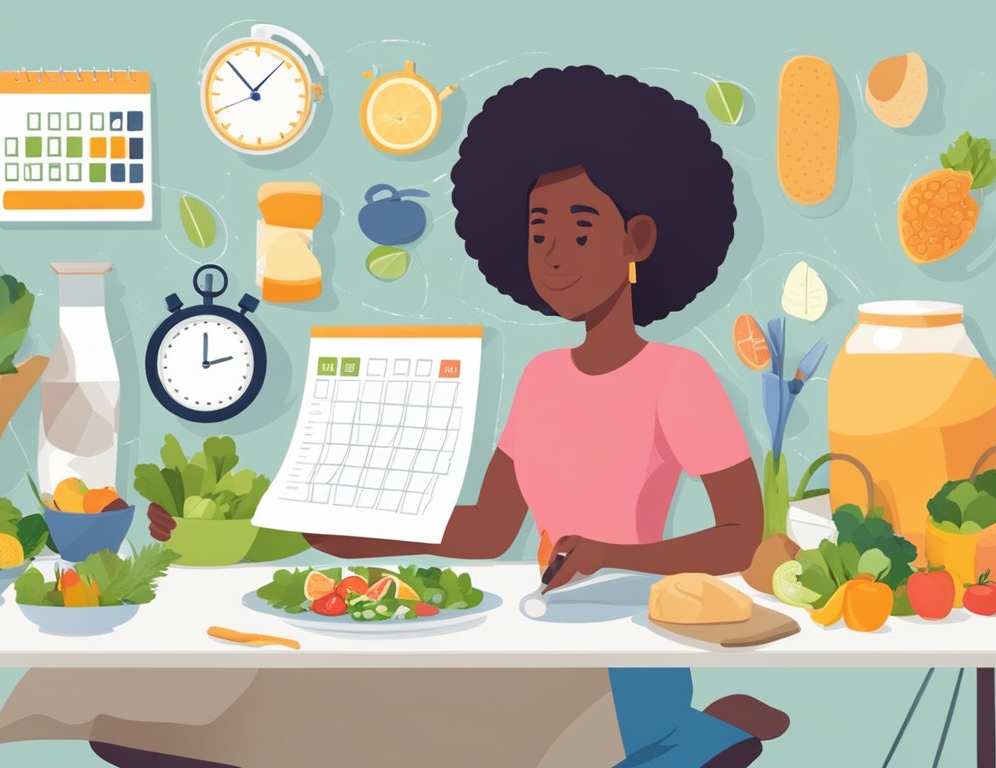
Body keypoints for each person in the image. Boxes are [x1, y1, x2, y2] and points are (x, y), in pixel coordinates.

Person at [292, 65, 788, 767]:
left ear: (637, 240)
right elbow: (489, 530)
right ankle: (710, 730)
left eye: (580, 231)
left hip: (624, 656)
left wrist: (614, 556)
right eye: (538, 232)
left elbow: (742, 538)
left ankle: (705, 730)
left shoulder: (678, 378)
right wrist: (363, 532)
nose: (554, 256)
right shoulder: (541, 377)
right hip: (537, 635)